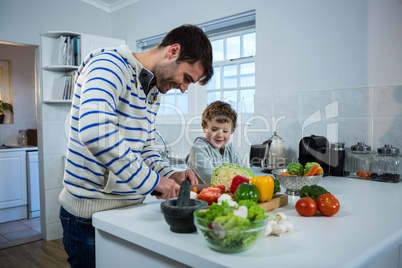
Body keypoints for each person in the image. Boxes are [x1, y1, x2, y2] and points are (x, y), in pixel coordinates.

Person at [59, 24, 213, 267]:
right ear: (173, 51)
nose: (184, 88)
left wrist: (169, 173)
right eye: (186, 78)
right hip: (88, 216)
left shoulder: (152, 91)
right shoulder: (109, 65)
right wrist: (153, 182)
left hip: (127, 212)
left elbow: (146, 148)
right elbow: (95, 131)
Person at [186, 100, 242, 184]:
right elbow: (210, 177)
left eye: (225, 131)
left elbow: (244, 172)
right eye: (214, 129)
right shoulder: (198, 148)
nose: (220, 135)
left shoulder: (231, 150)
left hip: (225, 195)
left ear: (231, 130)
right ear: (204, 127)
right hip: (202, 195)